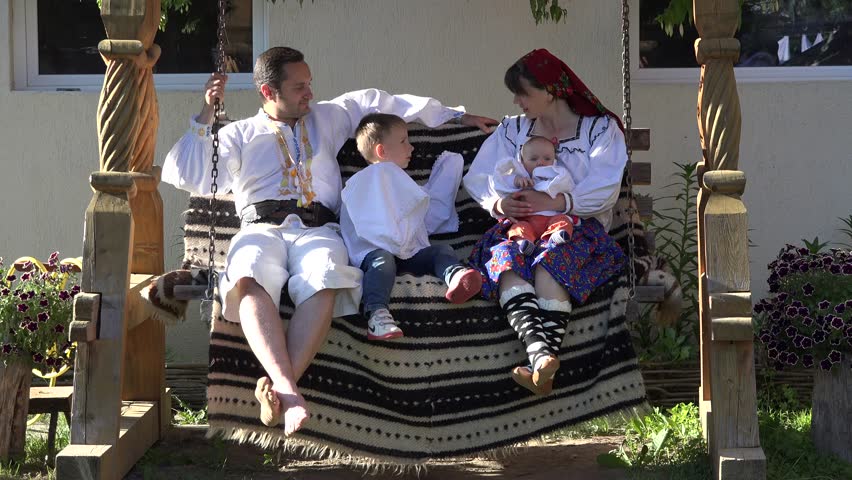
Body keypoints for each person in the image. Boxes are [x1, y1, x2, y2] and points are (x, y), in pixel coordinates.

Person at [161, 47, 497, 435]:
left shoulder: (328, 117)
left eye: (310, 83)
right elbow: (186, 173)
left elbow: (383, 101)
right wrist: (208, 113)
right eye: (299, 86)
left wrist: (455, 116)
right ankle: (289, 391)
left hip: (318, 230)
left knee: (327, 280)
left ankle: (282, 390)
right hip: (259, 228)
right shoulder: (239, 133)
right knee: (248, 277)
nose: (309, 92)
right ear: (269, 93)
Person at [463, 48, 628, 396]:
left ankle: (539, 358)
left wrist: (557, 201)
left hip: (574, 229)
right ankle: (542, 361)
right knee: (506, 260)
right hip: (520, 227)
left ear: (551, 90)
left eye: (523, 92)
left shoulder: (598, 130)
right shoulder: (512, 131)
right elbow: (479, 176)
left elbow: (606, 187)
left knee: (550, 265)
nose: (516, 100)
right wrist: (500, 201)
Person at [340, 113, 483, 340]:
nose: (412, 147)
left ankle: (456, 276)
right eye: (403, 141)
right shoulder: (367, 179)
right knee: (383, 262)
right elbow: (366, 219)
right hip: (376, 250)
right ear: (381, 151)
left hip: (406, 252)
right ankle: (377, 313)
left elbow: (417, 208)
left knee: (440, 251)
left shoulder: (398, 179)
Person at [491, 134, 579, 255]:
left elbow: (567, 186)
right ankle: (524, 243)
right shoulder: (519, 176)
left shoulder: (557, 174)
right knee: (518, 228)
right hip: (527, 219)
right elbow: (500, 184)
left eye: (547, 159)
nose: (540, 163)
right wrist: (516, 181)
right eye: (533, 159)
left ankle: (557, 236)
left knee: (563, 221)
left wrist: (550, 184)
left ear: (554, 161)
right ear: (522, 162)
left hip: (551, 217)